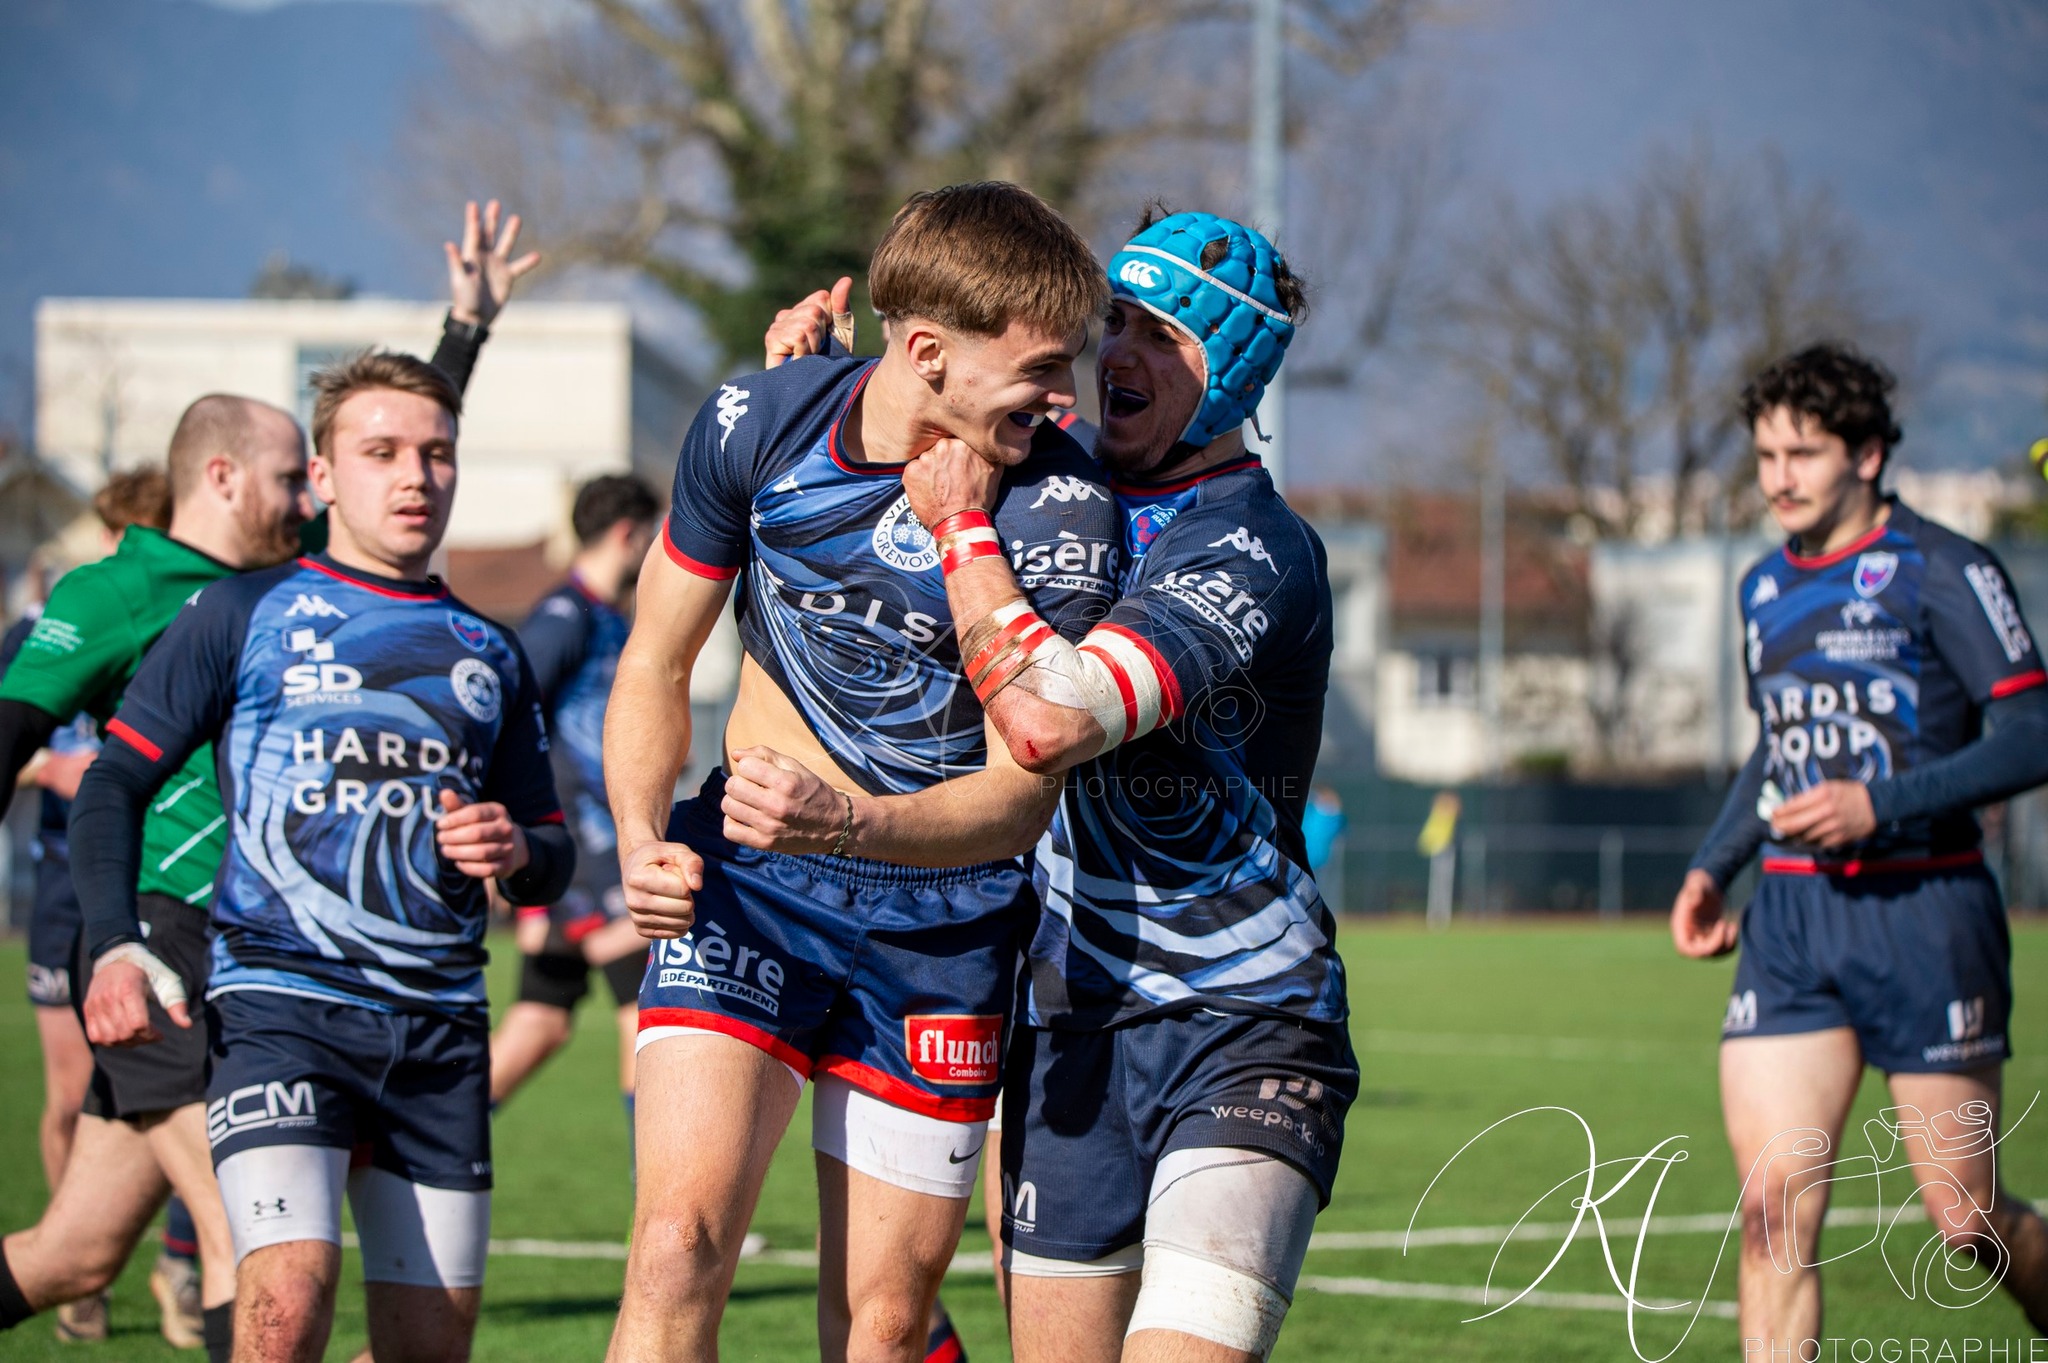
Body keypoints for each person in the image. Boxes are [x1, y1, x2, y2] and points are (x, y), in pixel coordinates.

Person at [759, 208, 1353, 1363]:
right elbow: (916, 434)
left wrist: (964, 529)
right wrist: (829, 390)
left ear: (1230, 368)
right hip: (1066, 1013)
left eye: (1165, 337)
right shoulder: (1056, 471)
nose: (1117, 354)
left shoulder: (1251, 544)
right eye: (1116, 322)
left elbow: (1045, 721)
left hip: (1243, 1015)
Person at [0, 200, 533, 1361]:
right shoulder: (142, 599)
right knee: (271, 1274)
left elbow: (395, 448)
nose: (312, 495)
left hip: (327, 978)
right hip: (182, 942)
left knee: (76, 1251)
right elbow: (44, 756)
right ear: (235, 476)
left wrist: (463, 334)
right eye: (299, 475)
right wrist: (109, 937)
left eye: (316, 476)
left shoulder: (334, 593)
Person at [605, 180, 1119, 1363]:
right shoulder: (757, 420)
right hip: (752, 886)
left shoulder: (1061, 507)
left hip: (943, 918)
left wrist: (845, 820)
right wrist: (640, 837)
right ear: (928, 351)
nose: (1063, 398)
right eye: (1042, 369)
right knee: (676, 1245)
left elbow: (1017, 796)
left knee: (883, 1324)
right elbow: (656, 659)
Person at [1670, 344, 2048, 1353]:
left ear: (1867, 453)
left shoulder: (1947, 569)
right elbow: (1776, 751)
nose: (1778, 477)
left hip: (1925, 912)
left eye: (1802, 452)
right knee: (1770, 1216)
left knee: (1964, 1220)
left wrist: (1877, 805)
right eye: (1763, 454)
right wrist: (1715, 864)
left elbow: (2030, 731)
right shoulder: (1759, 589)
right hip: (1791, 922)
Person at [1, 468, 197, 1345]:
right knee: (74, 1089)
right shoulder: (76, 616)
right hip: (84, 896)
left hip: (178, 914)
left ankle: (172, 1268)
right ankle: (153, 1275)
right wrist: (56, 769)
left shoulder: (212, 609)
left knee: (79, 1247)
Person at [489, 474, 661, 1157]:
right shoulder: (563, 616)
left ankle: (406, 1155)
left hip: (589, 837)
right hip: (581, 841)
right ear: (626, 533)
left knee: (540, 1022)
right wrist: (518, 827)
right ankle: (662, 1207)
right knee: (646, 1010)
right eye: (649, 538)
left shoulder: (608, 617)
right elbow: (505, 712)